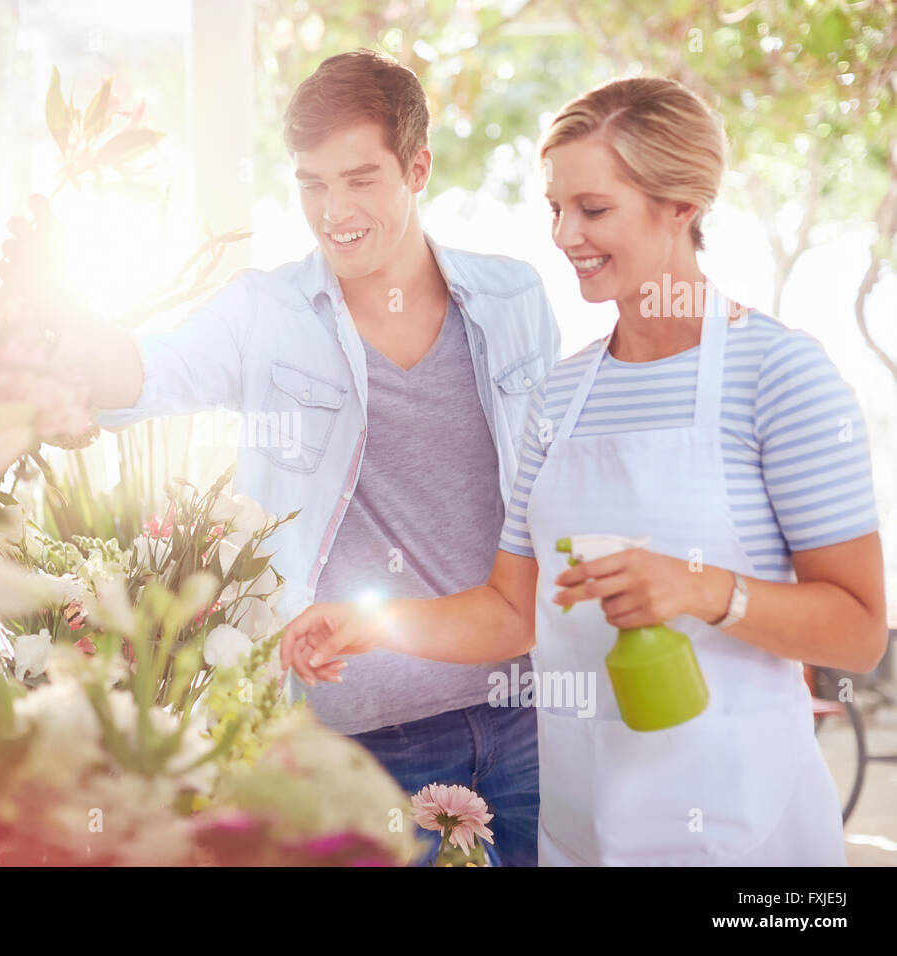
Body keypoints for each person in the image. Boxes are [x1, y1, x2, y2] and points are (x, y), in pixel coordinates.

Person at [281, 76, 888, 866]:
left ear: (681, 207)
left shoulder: (779, 374)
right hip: (584, 823)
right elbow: (512, 610)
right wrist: (376, 623)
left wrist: (705, 589)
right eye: (555, 209)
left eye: (594, 209)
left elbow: (860, 632)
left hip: (744, 829)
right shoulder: (560, 395)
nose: (566, 235)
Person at [73, 49, 560, 866]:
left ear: (418, 168)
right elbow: (150, 373)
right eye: (312, 183)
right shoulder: (266, 313)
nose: (334, 210)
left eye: (360, 179)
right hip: (362, 739)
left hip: (528, 716)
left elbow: (562, 490)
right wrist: (49, 340)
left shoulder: (513, 301)